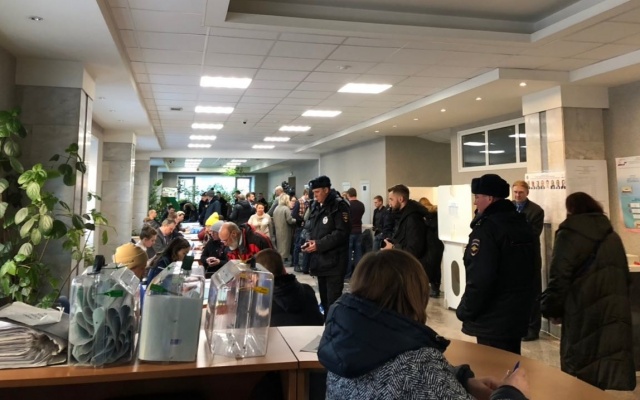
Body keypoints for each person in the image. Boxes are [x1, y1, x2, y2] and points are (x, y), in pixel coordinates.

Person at [318, 250, 529, 400]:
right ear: (415, 296)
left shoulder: (343, 343)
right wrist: (511, 393)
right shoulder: (417, 365)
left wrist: (461, 380)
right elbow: (414, 379)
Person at [540, 192, 635, 390]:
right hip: (612, 312)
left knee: (581, 368)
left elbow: (559, 278)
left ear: (571, 210)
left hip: (582, 311)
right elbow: (625, 277)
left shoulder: (568, 235)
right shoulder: (612, 236)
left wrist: (551, 309)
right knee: (602, 364)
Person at [456, 174, 535, 355]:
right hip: (516, 313)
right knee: (510, 364)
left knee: (491, 367)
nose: (475, 202)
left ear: (489, 198)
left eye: (477, 197)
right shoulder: (520, 223)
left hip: (491, 317)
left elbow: (481, 277)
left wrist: (465, 310)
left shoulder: (487, 229)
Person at [302, 176, 351, 317]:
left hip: (335, 263)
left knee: (332, 302)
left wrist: (319, 244)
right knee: (324, 302)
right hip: (320, 261)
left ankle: (333, 327)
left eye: (317, 192)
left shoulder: (339, 206)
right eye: (313, 192)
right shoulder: (316, 206)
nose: (315, 195)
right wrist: (310, 242)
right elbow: (312, 228)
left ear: (326, 190)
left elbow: (342, 233)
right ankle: (326, 325)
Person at [511, 180, 545, 341]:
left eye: (521, 192)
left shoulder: (536, 211)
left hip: (530, 258)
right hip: (512, 258)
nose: (517, 195)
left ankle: (532, 329)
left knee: (533, 294)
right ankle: (517, 326)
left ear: (527, 193)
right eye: (515, 192)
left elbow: (532, 234)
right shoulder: (508, 208)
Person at [255, 249, 323, 327]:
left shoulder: (259, 300)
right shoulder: (308, 289)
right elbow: (319, 321)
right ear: (284, 269)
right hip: (311, 334)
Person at [382, 185, 429, 285]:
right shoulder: (401, 216)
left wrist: (393, 248)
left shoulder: (413, 219)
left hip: (410, 272)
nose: (389, 203)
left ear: (401, 199)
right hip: (403, 268)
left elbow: (415, 249)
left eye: (391, 199)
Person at [419, 197, 445, 298]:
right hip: (435, 244)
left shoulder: (432, 216)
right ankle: (434, 288)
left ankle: (435, 288)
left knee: (433, 266)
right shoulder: (434, 214)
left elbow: (434, 226)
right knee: (434, 266)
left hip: (433, 244)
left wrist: (425, 222)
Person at [345, 187, 364, 280]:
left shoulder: (347, 205)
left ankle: (348, 275)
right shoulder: (361, 205)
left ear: (348, 195)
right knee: (358, 254)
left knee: (348, 254)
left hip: (350, 232)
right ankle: (358, 275)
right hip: (359, 231)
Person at [273, 193, 296, 262]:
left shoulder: (276, 208)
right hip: (285, 230)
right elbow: (290, 220)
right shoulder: (286, 209)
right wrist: (297, 220)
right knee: (285, 246)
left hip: (278, 230)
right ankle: (284, 261)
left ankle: (279, 259)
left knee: (280, 246)